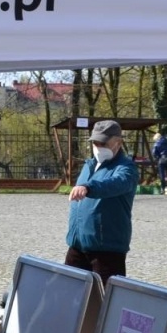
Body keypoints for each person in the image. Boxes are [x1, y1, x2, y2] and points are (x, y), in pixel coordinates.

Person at [64, 120, 139, 281]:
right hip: (77, 245)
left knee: (105, 301)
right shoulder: (89, 165)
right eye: (95, 142)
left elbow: (115, 184)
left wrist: (88, 187)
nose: (98, 147)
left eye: (103, 143)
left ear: (118, 142)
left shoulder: (126, 168)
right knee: (68, 296)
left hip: (107, 250)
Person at [151, 128, 167, 193]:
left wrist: (158, 157)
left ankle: (163, 189)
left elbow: (154, 153)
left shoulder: (157, 143)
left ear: (156, 138)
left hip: (161, 160)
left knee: (162, 175)